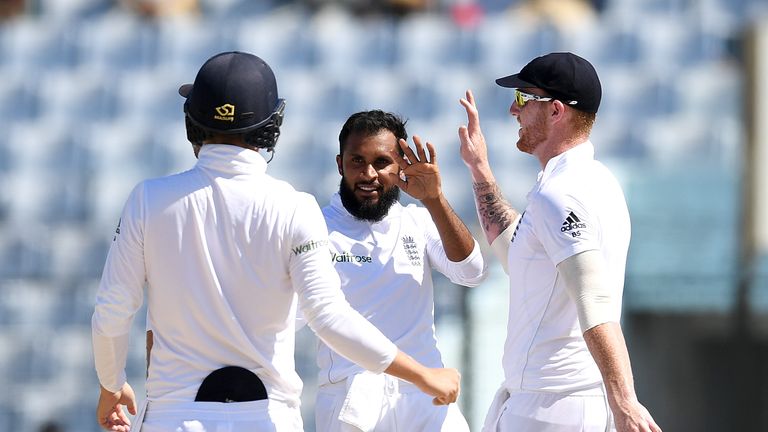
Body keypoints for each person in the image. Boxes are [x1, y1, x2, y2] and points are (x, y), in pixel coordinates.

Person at [91, 51, 461, 432]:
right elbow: (330, 317)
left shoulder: (148, 200)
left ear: (193, 123)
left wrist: (112, 385)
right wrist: (421, 375)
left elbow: (112, 312)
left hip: (173, 416)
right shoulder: (295, 207)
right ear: (271, 126)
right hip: (267, 419)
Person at [456, 52, 662, 432]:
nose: (512, 111)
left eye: (522, 99)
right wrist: (480, 169)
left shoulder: (561, 193)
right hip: (554, 402)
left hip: (553, 406)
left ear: (555, 111)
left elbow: (593, 299)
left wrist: (625, 402)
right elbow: (517, 252)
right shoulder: (595, 181)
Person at [314, 110, 488, 431]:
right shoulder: (316, 229)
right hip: (353, 393)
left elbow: (472, 272)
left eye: (381, 162)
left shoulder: (416, 221)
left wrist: (434, 200)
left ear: (401, 165)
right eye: (357, 161)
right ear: (340, 164)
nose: (368, 174)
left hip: (425, 391)